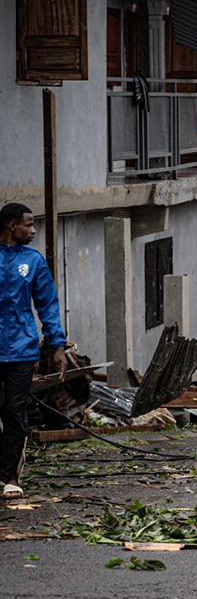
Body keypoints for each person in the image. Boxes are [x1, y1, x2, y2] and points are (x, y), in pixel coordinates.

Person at [1, 202, 67, 500]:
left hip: (21, 350)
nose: (33, 229)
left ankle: (11, 477)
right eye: (28, 224)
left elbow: (47, 304)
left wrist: (57, 345)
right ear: (12, 225)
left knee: (15, 413)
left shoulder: (34, 260)